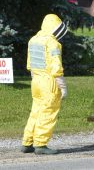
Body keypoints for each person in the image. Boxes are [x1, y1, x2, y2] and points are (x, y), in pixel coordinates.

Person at [21, 14, 68, 155]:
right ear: (56, 27)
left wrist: (35, 78)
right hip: (49, 83)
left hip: (36, 81)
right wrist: (63, 87)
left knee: (35, 112)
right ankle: (40, 145)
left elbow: (30, 64)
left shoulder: (33, 40)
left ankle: (27, 143)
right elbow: (56, 67)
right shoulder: (53, 43)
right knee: (48, 113)